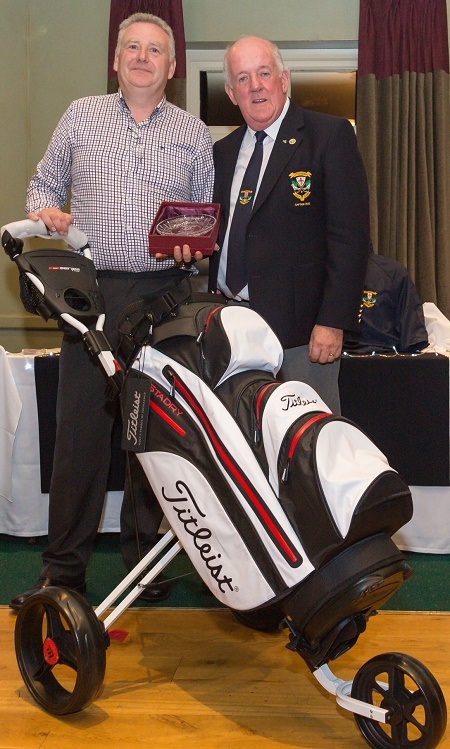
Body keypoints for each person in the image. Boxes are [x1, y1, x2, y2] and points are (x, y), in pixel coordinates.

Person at [10, 13, 213, 609]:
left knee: (153, 433)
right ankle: (62, 574)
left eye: (156, 50)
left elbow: (203, 216)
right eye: (133, 48)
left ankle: (144, 569)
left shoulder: (193, 131)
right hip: (93, 297)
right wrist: (49, 213)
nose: (144, 58)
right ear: (116, 59)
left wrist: (193, 241)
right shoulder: (81, 115)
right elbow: (41, 185)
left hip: (167, 295)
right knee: (82, 438)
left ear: (173, 68)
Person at [209, 36, 371, 413]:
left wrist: (333, 322)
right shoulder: (223, 152)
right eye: (243, 78)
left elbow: (351, 238)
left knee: (308, 451)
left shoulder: (329, 136)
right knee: (243, 452)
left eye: (264, 73)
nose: (256, 86)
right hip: (233, 331)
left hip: (303, 338)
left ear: (284, 79)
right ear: (232, 93)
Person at [343, 250, 429, 354]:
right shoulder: (322, 272)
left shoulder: (393, 272)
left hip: (382, 358)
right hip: (326, 359)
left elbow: (413, 338)